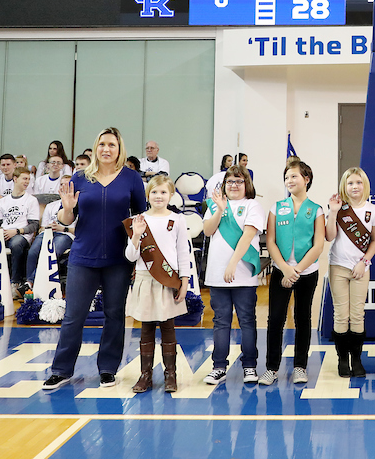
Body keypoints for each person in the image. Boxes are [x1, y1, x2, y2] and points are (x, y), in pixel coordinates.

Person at [43, 126, 147, 392]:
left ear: (119, 149)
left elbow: (141, 218)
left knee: (114, 315)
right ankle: (61, 370)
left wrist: (138, 256)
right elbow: (67, 219)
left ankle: (108, 369)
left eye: (112, 145)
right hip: (83, 257)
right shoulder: (79, 179)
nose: (106, 149)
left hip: (118, 259)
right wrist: (66, 209)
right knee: (74, 316)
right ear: (96, 148)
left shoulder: (132, 179)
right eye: (102, 144)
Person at [126, 175, 192, 394]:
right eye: (154, 192)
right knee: (146, 327)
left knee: (168, 326)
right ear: (148, 195)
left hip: (168, 279)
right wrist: (135, 236)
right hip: (146, 278)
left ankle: (170, 374)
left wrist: (184, 281)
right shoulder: (139, 219)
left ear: (171, 194)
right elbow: (130, 256)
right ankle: (145, 375)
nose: (159, 196)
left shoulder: (177, 219)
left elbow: (184, 252)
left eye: (163, 192)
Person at [261, 160, 325, 386]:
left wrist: (296, 270)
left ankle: (300, 367)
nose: (289, 180)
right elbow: (270, 241)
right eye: (287, 177)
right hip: (281, 272)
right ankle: (271, 368)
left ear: (306, 179)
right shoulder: (276, 208)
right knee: (275, 319)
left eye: (294, 176)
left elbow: (318, 245)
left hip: (307, 273)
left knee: (303, 318)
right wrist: (286, 269)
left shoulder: (316, 209)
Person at [200, 164, 265, 386]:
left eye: (239, 181)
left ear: (247, 184)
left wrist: (233, 264)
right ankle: (219, 367)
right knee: (221, 322)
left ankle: (250, 366)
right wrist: (219, 209)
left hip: (243, 274)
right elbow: (208, 231)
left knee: (247, 320)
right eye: (230, 182)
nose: (234, 185)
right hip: (217, 274)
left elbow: (247, 236)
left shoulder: (252, 205)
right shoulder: (215, 205)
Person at [326, 167, 375, 377]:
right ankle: (342, 360)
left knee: (357, 315)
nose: (354, 186)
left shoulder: (373, 210)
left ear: (364, 185)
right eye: (350, 183)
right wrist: (333, 212)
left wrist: (365, 261)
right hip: (338, 267)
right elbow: (329, 236)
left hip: (361, 268)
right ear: (344, 186)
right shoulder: (339, 209)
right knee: (341, 315)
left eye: (358, 182)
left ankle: (357, 360)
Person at [0, 166, 41, 298]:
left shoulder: (31, 200)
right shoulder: (3, 201)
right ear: (15, 179)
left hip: (21, 236)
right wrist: (0, 232)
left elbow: (34, 225)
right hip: (3, 234)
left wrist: (16, 231)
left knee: (16, 244)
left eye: (29, 179)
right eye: (24, 178)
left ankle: (15, 282)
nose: (27, 182)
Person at [28, 194, 76, 286]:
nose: (64, 188)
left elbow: (79, 231)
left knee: (51, 252)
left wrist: (62, 228)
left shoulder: (77, 206)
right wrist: (48, 228)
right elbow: (42, 227)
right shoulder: (50, 206)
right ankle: (29, 284)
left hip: (65, 234)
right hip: (47, 233)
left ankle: (31, 282)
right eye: (62, 185)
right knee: (32, 252)